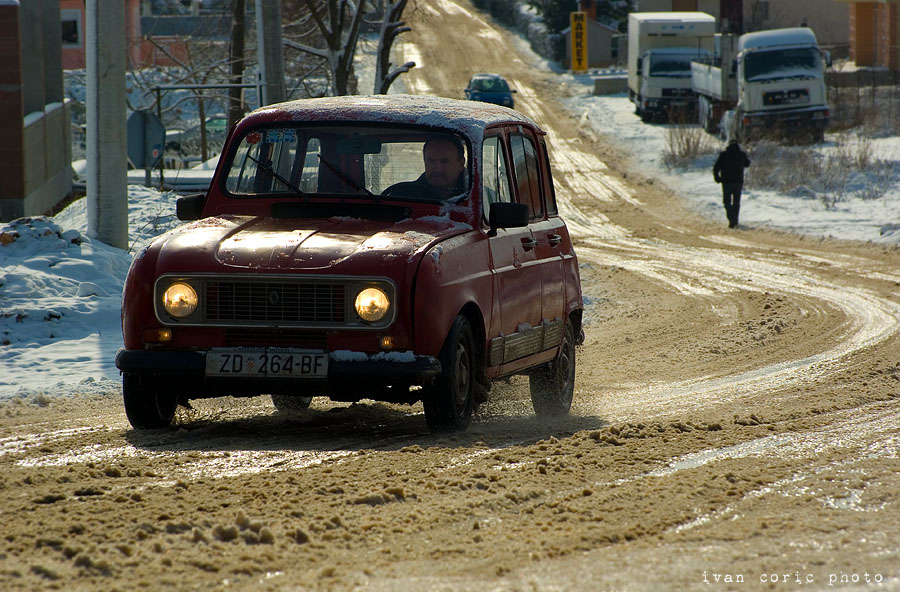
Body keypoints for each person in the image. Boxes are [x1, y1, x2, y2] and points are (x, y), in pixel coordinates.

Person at [384, 136, 467, 200]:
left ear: (461, 164)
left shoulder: (475, 198)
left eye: (444, 162)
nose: (437, 169)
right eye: (431, 161)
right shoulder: (404, 197)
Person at [713, 140, 751, 228]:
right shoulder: (741, 154)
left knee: (727, 202)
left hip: (726, 182)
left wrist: (717, 178)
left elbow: (716, 167)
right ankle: (735, 219)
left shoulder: (724, 155)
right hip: (738, 182)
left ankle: (731, 218)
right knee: (736, 202)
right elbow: (747, 164)